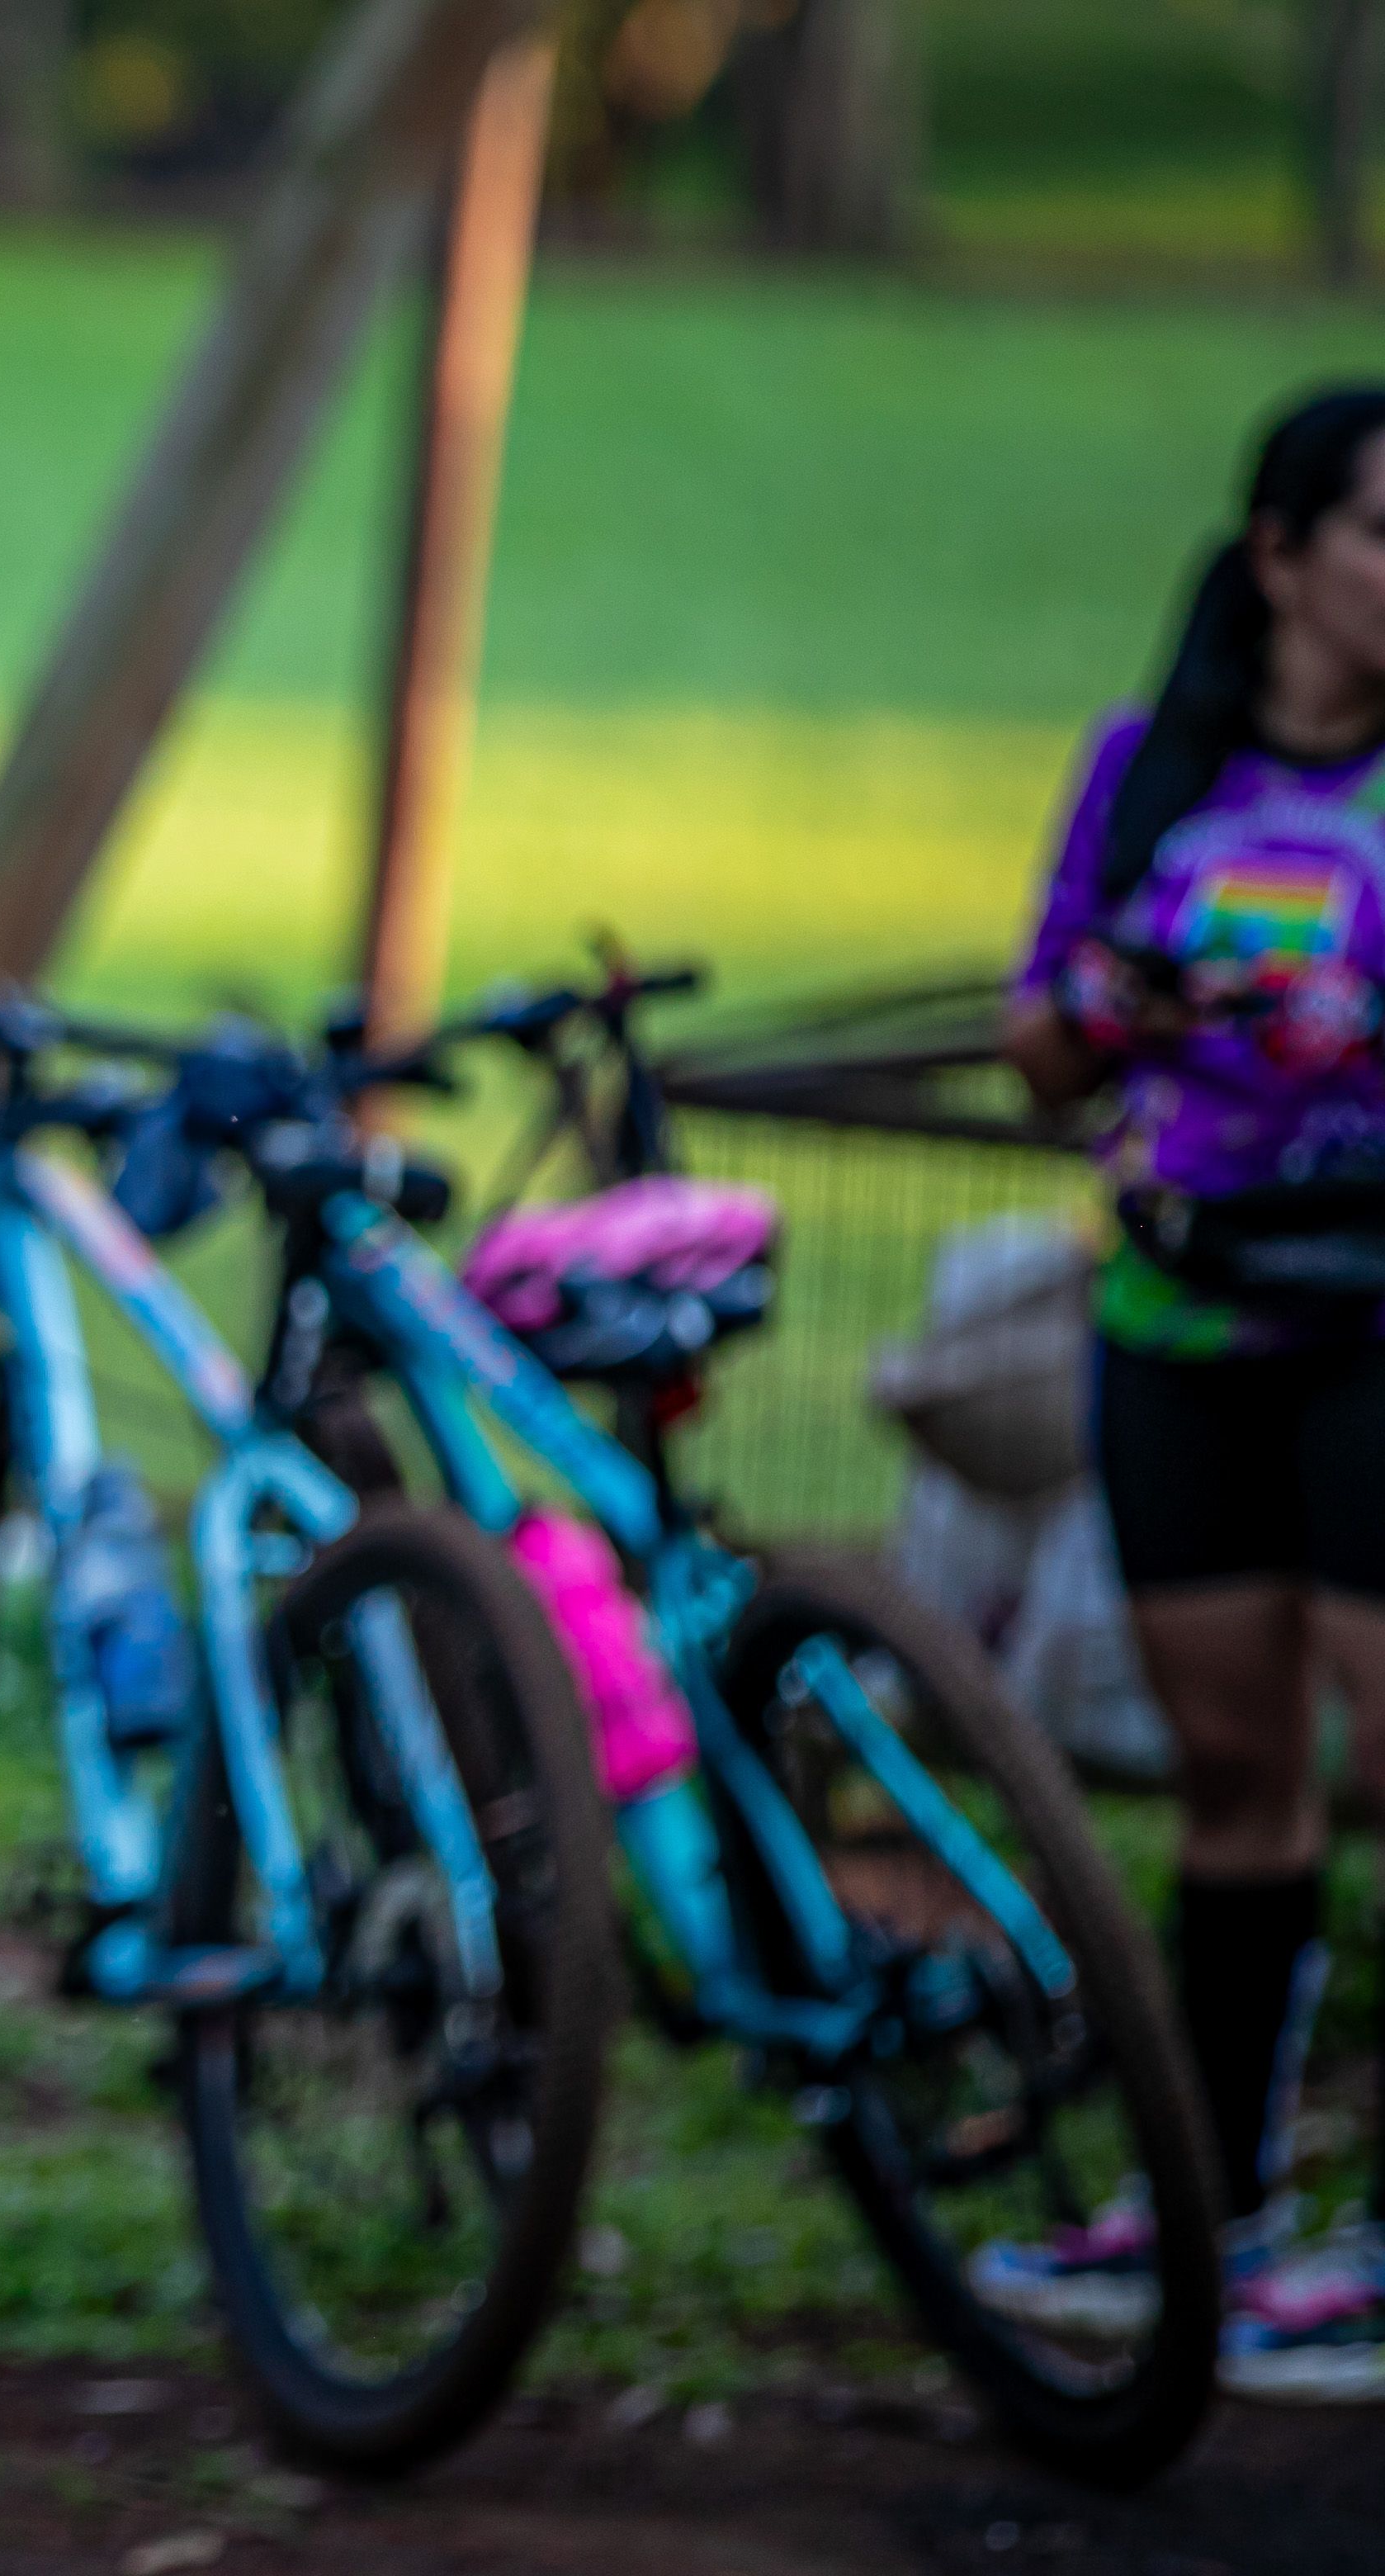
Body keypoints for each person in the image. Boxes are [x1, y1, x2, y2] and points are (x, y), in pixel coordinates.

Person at [984, 386, 1385, 2403]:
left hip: (1375, 1325)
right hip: (1181, 1317)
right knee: (1234, 1770)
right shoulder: (1149, 771)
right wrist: (1110, 1003)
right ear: (1278, 555)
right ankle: (1216, 2197)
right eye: (1379, 532)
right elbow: (1040, 1047)